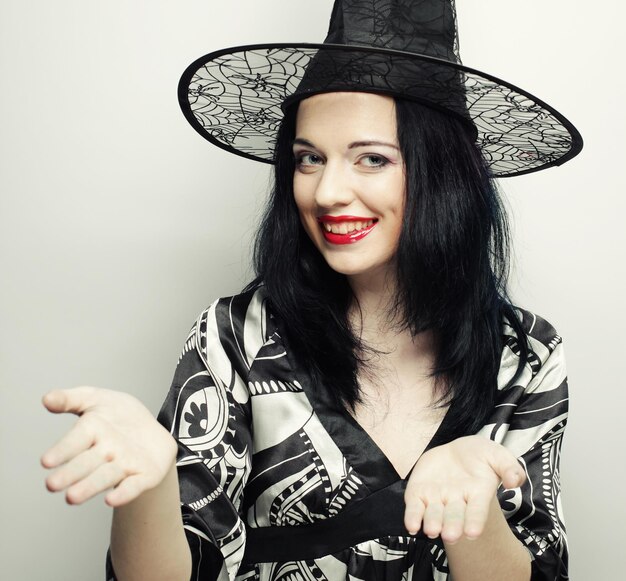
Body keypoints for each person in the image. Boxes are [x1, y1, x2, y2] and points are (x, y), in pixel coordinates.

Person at [41, 1, 581, 580]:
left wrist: (475, 510)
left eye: (371, 159)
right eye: (309, 159)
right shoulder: (236, 339)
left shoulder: (524, 353)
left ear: (441, 174)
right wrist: (146, 489)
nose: (326, 192)